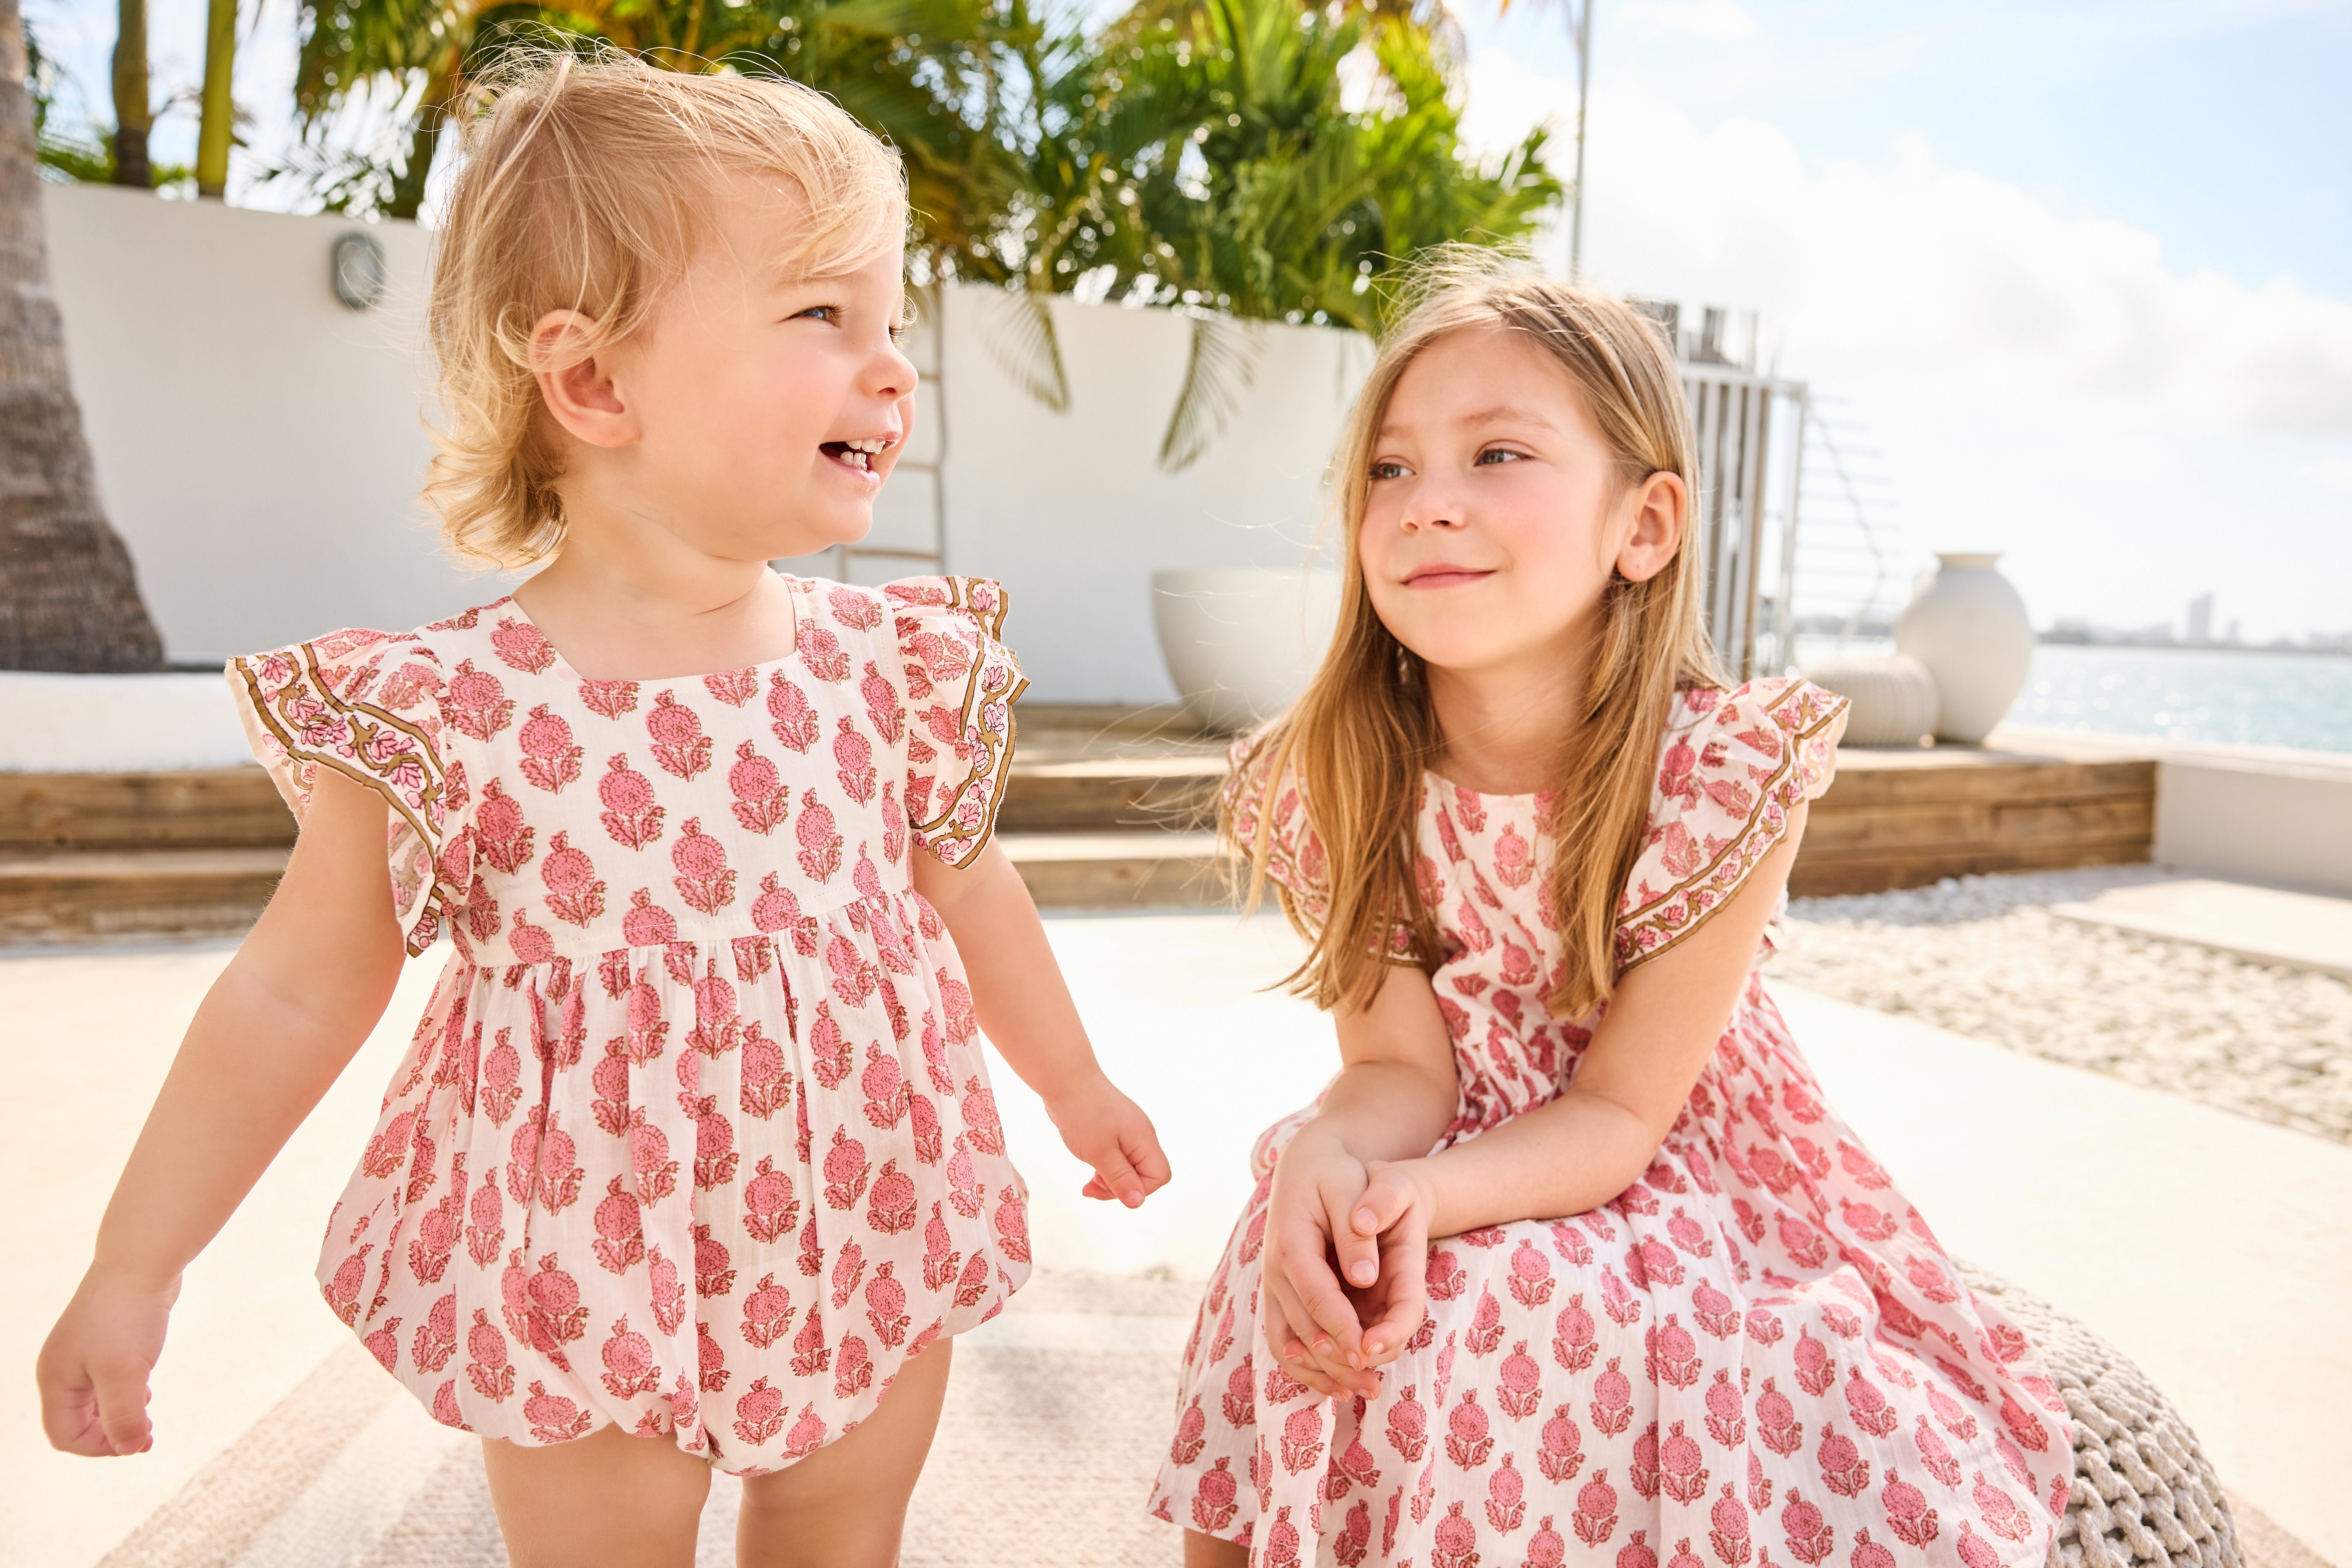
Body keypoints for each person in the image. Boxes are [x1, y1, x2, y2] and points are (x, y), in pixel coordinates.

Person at [36, 50, 1169, 1568]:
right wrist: (137, 1264)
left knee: (845, 1536)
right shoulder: (453, 712)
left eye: (893, 321)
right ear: (592, 381)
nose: (895, 367)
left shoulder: (887, 672)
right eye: (824, 315)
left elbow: (970, 890)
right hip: (586, 1255)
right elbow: (295, 994)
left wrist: (1072, 1082)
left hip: (866, 1217)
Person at [1149, 260, 2070, 1568]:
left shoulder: (1719, 775)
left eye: (1498, 455)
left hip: (1672, 1167)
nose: (1430, 505)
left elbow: (1622, 1114)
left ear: (1643, 526)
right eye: (1393, 470)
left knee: (1520, 1301)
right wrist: (1332, 1157)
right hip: (1449, 1128)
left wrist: (1421, 1197)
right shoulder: (1345, 772)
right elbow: (1401, 1068)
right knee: (1289, 1234)